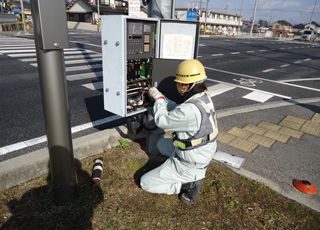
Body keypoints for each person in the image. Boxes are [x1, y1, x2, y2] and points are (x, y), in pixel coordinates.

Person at [140, 59, 218, 205]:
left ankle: (187, 185)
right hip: (201, 152)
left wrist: (158, 100)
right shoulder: (203, 98)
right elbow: (178, 108)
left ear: (186, 85)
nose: (177, 85)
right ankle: (179, 169)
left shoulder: (189, 110)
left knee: (146, 182)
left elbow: (162, 120)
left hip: (190, 163)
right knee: (162, 144)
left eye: (178, 82)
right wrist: (161, 97)